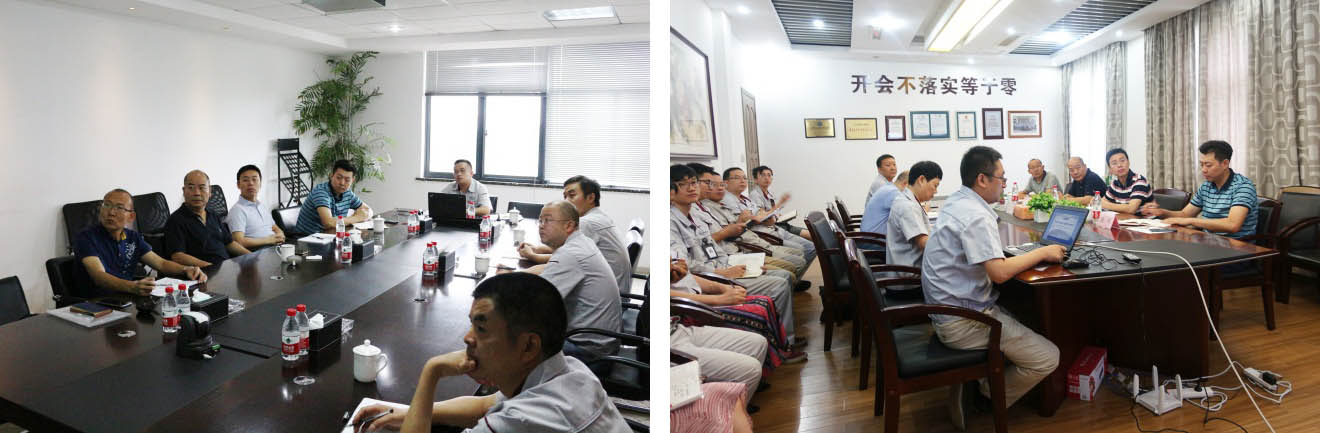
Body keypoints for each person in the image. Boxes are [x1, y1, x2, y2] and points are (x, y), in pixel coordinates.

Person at [350, 273, 629, 433]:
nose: (467, 338)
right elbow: (486, 405)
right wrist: (406, 412)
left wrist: (431, 372)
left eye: (481, 328)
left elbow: (500, 416)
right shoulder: (573, 371)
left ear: (528, 346)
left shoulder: (521, 422)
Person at [923, 146, 1063, 430]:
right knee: (1048, 357)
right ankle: (986, 395)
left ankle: (981, 381)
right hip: (962, 321)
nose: (1004, 183)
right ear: (982, 179)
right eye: (1001, 178)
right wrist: (1042, 252)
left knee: (1024, 317)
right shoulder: (976, 214)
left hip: (946, 309)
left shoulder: (957, 200)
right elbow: (999, 273)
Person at [672, 164, 803, 349]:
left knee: (783, 273)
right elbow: (686, 266)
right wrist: (723, 272)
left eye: (694, 183)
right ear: (671, 192)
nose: (693, 188)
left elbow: (712, 248)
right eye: (685, 184)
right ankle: (784, 343)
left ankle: (779, 337)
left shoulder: (695, 213)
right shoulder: (673, 222)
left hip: (727, 262)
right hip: (712, 277)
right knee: (780, 282)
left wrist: (744, 262)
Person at [513, 201, 622, 360]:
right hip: (601, 342)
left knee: (515, 343)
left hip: (589, 351)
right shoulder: (582, 242)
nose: (541, 226)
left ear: (569, 225)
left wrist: (505, 283)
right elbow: (550, 268)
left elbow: (534, 302)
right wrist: (516, 275)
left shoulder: (570, 254)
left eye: (547, 220)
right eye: (540, 220)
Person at [689, 163, 808, 287]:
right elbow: (712, 242)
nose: (717, 188)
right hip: (744, 248)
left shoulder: (710, 207)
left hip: (751, 243)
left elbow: (758, 215)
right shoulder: (715, 204)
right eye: (709, 183)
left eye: (744, 178)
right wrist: (741, 223)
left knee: (799, 256)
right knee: (789, 271)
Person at [75, 189, 208, 297]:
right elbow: (99, 276)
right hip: (97, 303)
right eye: (107, 205)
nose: (111, 212)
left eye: (119, 208)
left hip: (126, 298)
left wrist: (186, 269)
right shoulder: (87, 238)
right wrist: (132, 287)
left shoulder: (132, 237)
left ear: (131, 217)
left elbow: (161, 263)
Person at [670, 259, 805, 365]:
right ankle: (774, 355)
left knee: (765, 302)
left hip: (699, 293)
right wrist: (719, 299)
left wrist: (724, 288)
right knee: (757, 310)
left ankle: (782, 347)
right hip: (688, 308)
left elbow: (686, 275)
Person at [1141, 140, 1258, 240]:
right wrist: (1162, 212)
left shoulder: (1243, 187)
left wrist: (1192, 221)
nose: (1203, 170)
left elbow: (1232, 225)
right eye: (1202, 165)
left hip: (1237, 247)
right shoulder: (1206, 186)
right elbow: (1185, 214)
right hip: (1209, 242)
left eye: (1208, 165)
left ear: (1225, 163)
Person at [722, 167, 816, 268]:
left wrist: (765, 216)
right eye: (737, 178)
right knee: (807, 248)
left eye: (744, 178)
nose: (742, 181)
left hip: (774, 228)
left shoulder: (745, 199)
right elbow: (750, 219)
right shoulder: (730, 200)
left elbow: (761, 214)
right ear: (726, 182)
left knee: (812, 243)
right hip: (764, 235)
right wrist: (778, 205)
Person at [164, 170, 251, 267]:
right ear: (184, 191)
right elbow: (177, 256)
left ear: (210, 192)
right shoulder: (175, 220)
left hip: (226, 267)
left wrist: (251, 256)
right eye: (191, 188)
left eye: (201, 188)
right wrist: (211, 268)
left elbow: (229, 243)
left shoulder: (213, 214)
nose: (196, 193)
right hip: (202, 272)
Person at [884, 162, 941, 295]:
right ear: (921, 180)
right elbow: (924, 243)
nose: (936, 191)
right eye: (935, 185)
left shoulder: (907, 200)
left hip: (905, 275)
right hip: (908, 283)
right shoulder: (908, 206)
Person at [294, 159, 373, 234]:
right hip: (306, 238)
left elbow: (368, 210)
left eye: (347, 180)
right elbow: (328, 223)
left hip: (329, 236)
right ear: (331, 175)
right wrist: (357, 218)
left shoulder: (348, 193)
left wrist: (363, 215)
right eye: (339, 178)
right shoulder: (321, 192)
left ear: (352, 180)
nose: (342, 183)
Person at [226, 165, 285, 250]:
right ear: (238, 185)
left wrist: (280, 234)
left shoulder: (261, 206)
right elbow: (239, 241)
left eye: (254, 179)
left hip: (276, 248)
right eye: (245, 180)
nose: (251, 183)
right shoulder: (237, 210)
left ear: (260, 183)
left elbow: (274, 227)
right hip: (259, 253)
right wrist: (268, 240)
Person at [747, 166, 810, 239]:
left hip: (780, 223)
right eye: (763, 175)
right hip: (771, 228)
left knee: (813, 233)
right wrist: (780, 203)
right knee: (811, 235)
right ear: (755, 180)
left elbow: (772, 211)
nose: (767, 178)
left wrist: (780, 215)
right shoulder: (755, 195)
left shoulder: (770, 192)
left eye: (769, 175)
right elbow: (763, 217)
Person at [1098, 148, 1152, 214]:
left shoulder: (1139, 181)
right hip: (1128, 219)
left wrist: (1105, 205)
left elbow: (1131, 209)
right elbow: (1101, 202)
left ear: (1128, 162)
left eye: (1122, 161)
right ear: (1110, 169)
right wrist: (1101, 203)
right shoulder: (1115, 184)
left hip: (1147, 220)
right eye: (1114, 163)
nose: (1119, 165)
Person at [860, 169, 910, 237]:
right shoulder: (893, 192)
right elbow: (908, 214)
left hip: (870, 236)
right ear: (905, 184)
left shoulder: (888, 187)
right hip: (874, 240)